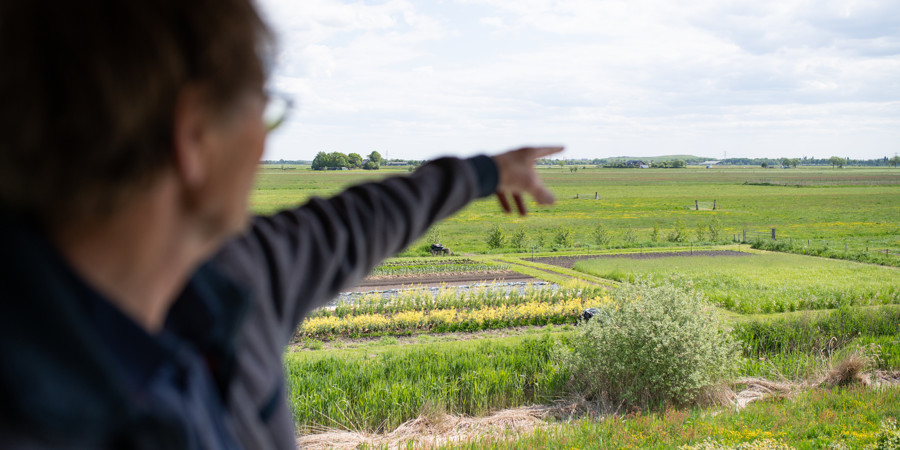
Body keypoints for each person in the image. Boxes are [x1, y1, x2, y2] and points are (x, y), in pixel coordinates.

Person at [0, 1, 561, 449]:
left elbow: (361, 220)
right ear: (193, 136)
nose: (266, 143)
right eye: (266, 112)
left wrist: (486, 172)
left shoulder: (234, 279)